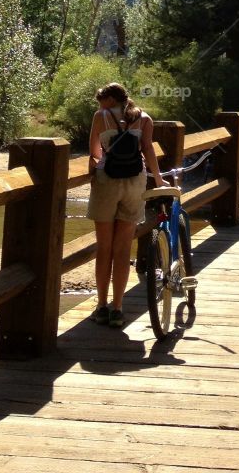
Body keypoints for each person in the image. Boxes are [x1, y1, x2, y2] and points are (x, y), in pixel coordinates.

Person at [86, 80, 164, 328]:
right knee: (122, 250)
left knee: (104, 248)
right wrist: (158, 179)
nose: (100, 105)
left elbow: (94, 151)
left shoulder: (101, 116)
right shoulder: (144, 118)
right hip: (135, 182)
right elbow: (148, 150)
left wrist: (98, 166)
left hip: (107, 182)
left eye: (101, 101)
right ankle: (118, 309)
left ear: (109, 100)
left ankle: (102, 306)